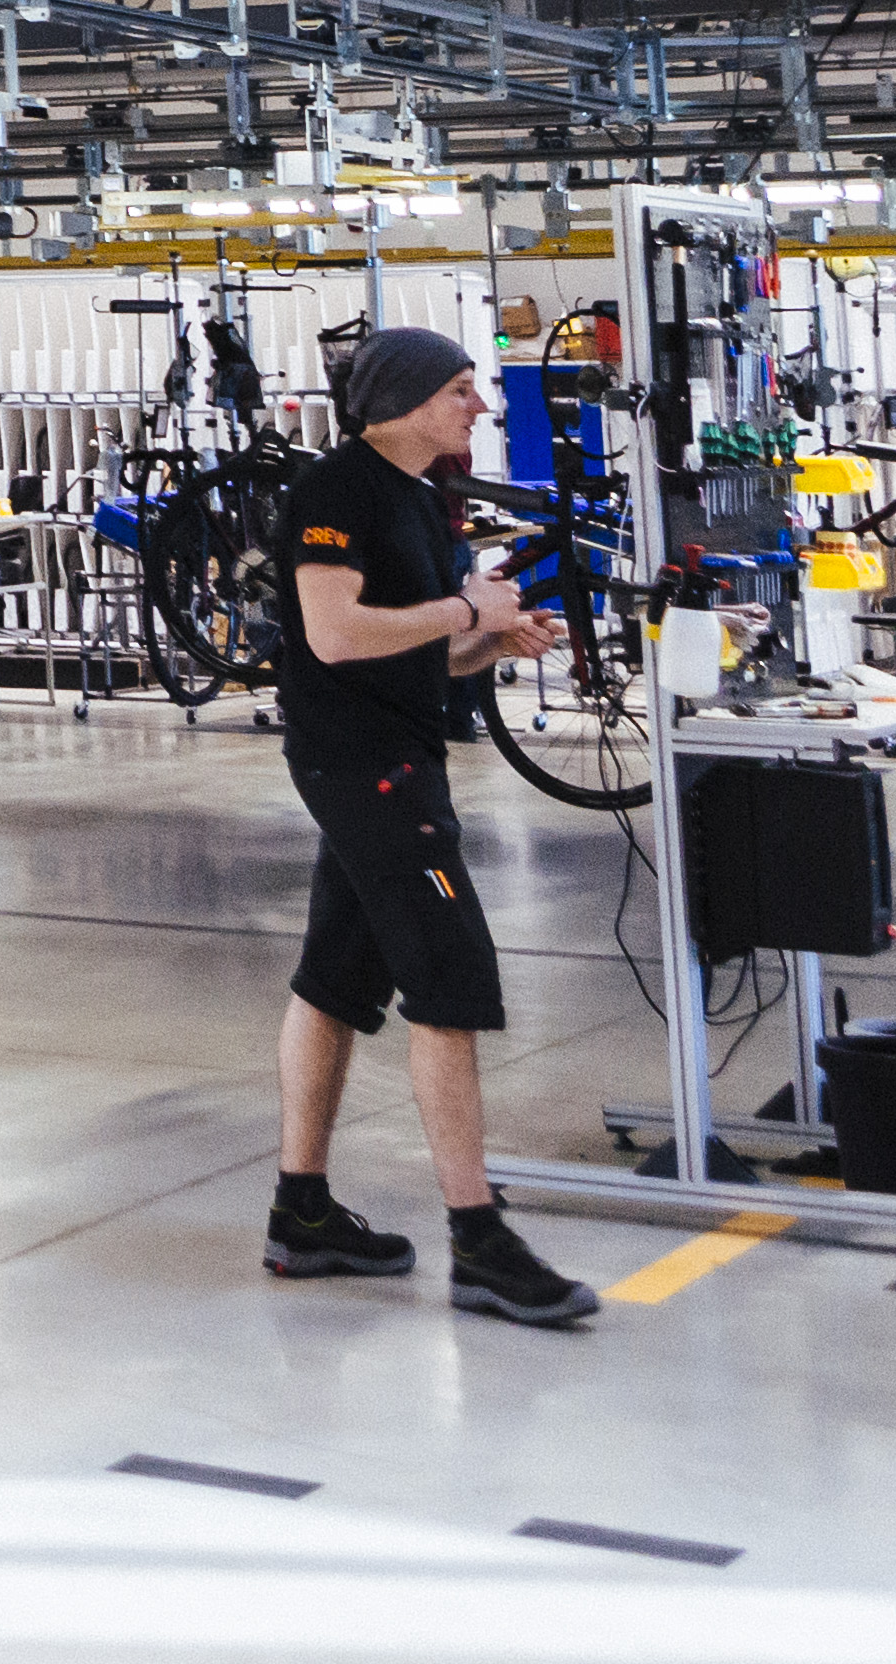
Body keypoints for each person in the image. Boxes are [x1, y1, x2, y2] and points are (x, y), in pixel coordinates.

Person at [265, 324, 596, 1330]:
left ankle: (303, 1213)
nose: (479, 409)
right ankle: (480, 1240)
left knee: (336, 980)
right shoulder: (336, 492)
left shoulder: (425, 502)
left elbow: (418, 651)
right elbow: (333, 634)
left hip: (398, 759)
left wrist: (493, 640)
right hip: (364, 771)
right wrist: (462, 611)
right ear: (406, 401)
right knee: (450, 981)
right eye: (461, 390)